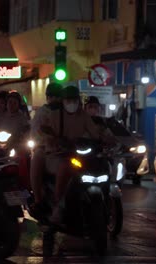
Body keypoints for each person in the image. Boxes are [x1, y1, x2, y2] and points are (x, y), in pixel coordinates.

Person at [41, 86, 103, 223]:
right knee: (65, 167)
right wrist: (55, 141)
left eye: (74, 100)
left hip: (79, 154)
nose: (71, 103)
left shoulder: (84, 116)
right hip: (57, 155)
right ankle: (58, 206)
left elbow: (95, 133)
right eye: (68, 100)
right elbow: (45, 132)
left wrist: (104, 140)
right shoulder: (55, 115)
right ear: (63, 101)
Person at [30, 83, 63, 208]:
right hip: (45, 148)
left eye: (57, 96)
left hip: (65, 149)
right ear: (48, 98)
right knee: (36, 159)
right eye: (52, 96)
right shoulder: (41, 112)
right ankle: (38, 200)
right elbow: (36, 132)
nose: (55, 99)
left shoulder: (66, 112)